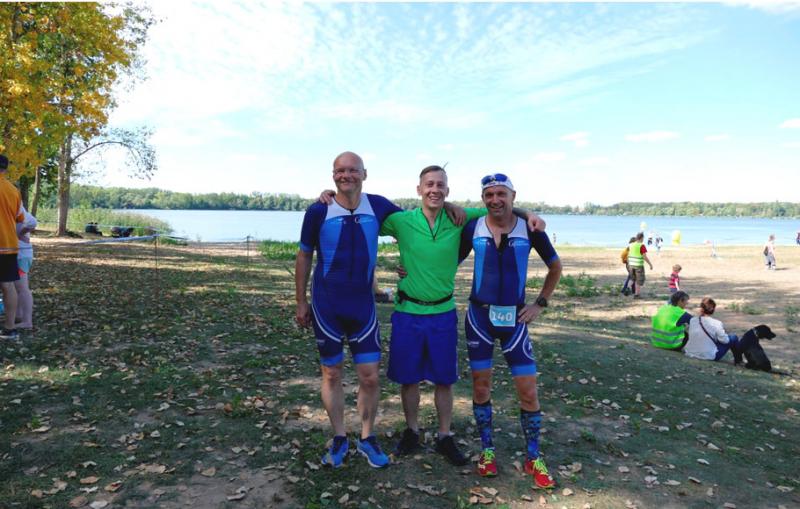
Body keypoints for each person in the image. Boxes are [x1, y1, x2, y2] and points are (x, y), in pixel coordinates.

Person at [376, 166, 545, 466]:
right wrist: (330, 198)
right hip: (407, 311)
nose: (434, 190)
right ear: (418, 189)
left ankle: (444, 436)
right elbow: (362, 221)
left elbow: (498, 206)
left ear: (447, 190)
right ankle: (412, 432)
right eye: (429, 185)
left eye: (440, 185)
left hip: (443, 312)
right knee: (408, 379)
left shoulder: (460, 219)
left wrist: (529, 213)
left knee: (444, 379)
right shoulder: (400, 221)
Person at [295, 151, 402, 469]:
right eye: (340, 171)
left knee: (369, 377)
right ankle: (340, 436)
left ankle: (367, 438)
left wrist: (451, 208)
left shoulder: (378, 206)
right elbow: (304, 255)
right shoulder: (319, 210)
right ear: (333, 175)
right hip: (326, 305)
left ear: (364, 174)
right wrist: (300, 302)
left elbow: (417, 225)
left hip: (362, 307)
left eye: (353, 170)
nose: (346, 176)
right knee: (332, 372)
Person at [459, 173, 562, 489]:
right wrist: (411, 270)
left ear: (513, 196)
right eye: (489, 195)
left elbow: (555, 266)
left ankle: (533, 456)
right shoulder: (473, 228)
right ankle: (487, 450)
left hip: (515, 321)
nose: (495, 200)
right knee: (481, 387)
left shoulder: (530, 229)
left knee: (528, 390)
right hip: (479, 318)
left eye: (501, 194)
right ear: (483, 199)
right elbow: (447, 261)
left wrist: (539, 304)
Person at [0, 155, 25, 340]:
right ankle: (10, 328)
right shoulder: (13, 191)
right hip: (8, 245)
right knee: (8, 285)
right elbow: (20, 218)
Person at [684, 297, 741, 362]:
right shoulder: (717, 323)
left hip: (690, 351)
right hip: (708, 355)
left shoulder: (692, 320)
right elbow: (725, 341)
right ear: (712, 309)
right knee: (733, 337)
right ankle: (738, 361)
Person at [15, 206, 37, 329]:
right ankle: (18, 315)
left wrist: (20, 233)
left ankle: (27, 321)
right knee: (15, 287)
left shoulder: (18, 208)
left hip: (21, 255)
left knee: (22, 288)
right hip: (16, 254)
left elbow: (32, 222)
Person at [627, 232, 653, 299]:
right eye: (643, 238)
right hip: (638, 265)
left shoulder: (631, 245)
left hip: (631, 265)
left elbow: (628, 254)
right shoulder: (641, 246)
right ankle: (637, 295)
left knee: (632, 279)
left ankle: (628, 288)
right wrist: (650, 264)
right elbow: (644, 257)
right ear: (642, 238)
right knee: (638, 280)